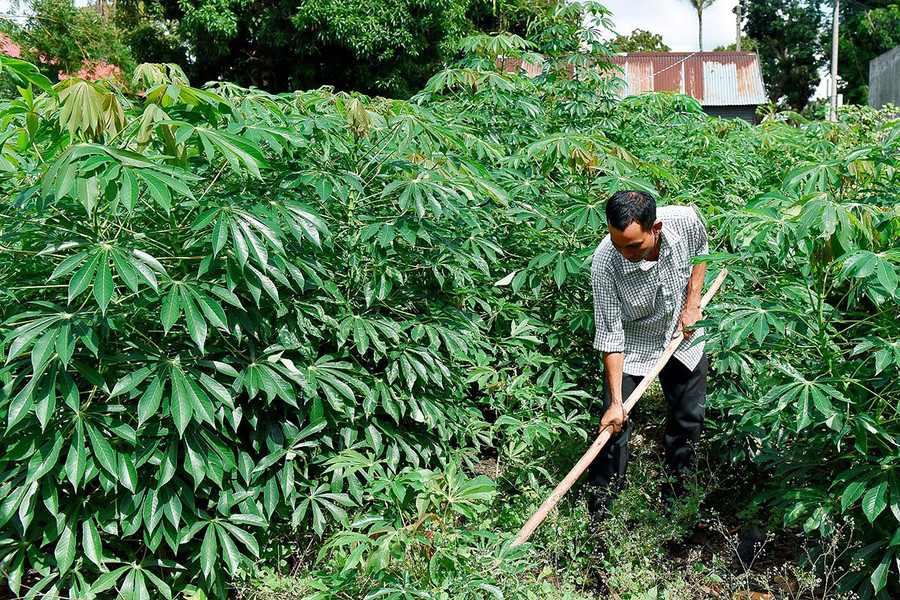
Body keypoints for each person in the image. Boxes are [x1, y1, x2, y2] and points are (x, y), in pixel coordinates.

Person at [588, 190, 709, 514]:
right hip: (634, 342)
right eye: (617, 244)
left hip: (682, 332)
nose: (624, 252)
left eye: (634, 246)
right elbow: (611, 336)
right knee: (613, 428)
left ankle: (678, 505)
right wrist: (616, 403)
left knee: (688, 420)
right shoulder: (604, 263)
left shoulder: (684, 221)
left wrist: (693, 304)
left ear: (655, 227)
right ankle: (603, 516)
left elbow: (701, 251)